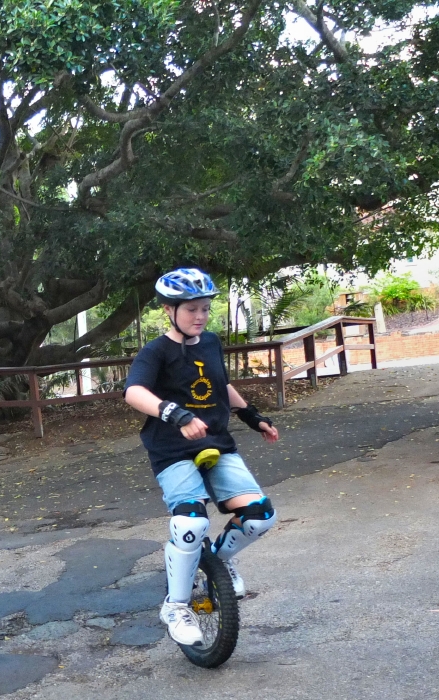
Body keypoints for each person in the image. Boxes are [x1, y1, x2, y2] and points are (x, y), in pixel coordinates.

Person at [123, 268, 280, 647]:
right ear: (169, 310)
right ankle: (176, 605)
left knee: (260, 517)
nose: (200, 316)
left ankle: (219, 560)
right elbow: (133, 392)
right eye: (192, 309)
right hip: (172, 449)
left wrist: (251, 415)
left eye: (205, 309)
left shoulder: (209, 342)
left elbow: (220, 384)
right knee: (190, 524)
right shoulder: (155, 351)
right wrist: (175, 414)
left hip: (217, 442)